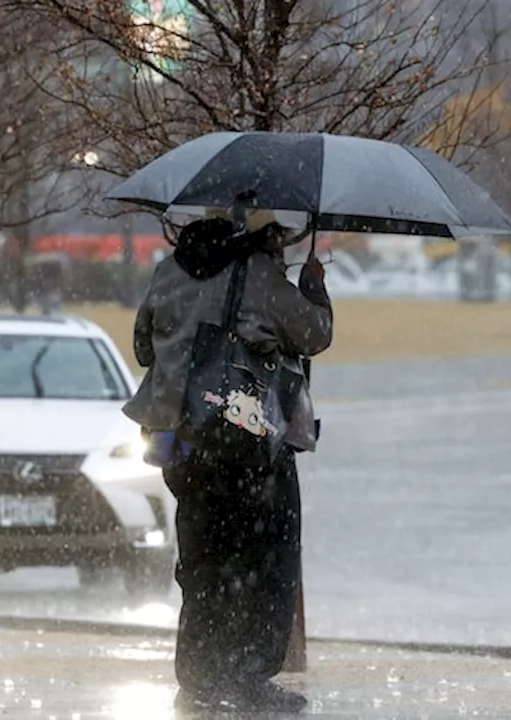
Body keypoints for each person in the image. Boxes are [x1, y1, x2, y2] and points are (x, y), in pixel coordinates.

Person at [123, 210, 332, 715]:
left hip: (182, 443)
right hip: (247, 444)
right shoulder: (259, 276)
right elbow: (314, 335)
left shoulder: (168, 271)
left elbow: (143, 346)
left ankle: (198, 674)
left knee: (203, 559)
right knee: (263, 559)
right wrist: (313, 286)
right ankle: (246, 675)